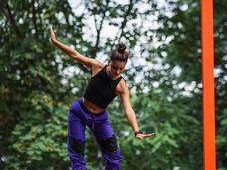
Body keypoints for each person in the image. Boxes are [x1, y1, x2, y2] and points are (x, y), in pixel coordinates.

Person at [50, 27, 155, 170]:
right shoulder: (96, 66)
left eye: (121, 69)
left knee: (114, 155)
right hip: (79, 112)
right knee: (77, 151)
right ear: (108, 61)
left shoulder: (121, 86)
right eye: (114, 67)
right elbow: (75, 55)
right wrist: (55, 41)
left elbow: (128, 109)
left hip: (100, 119)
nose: (116, 71)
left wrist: (137, 131)